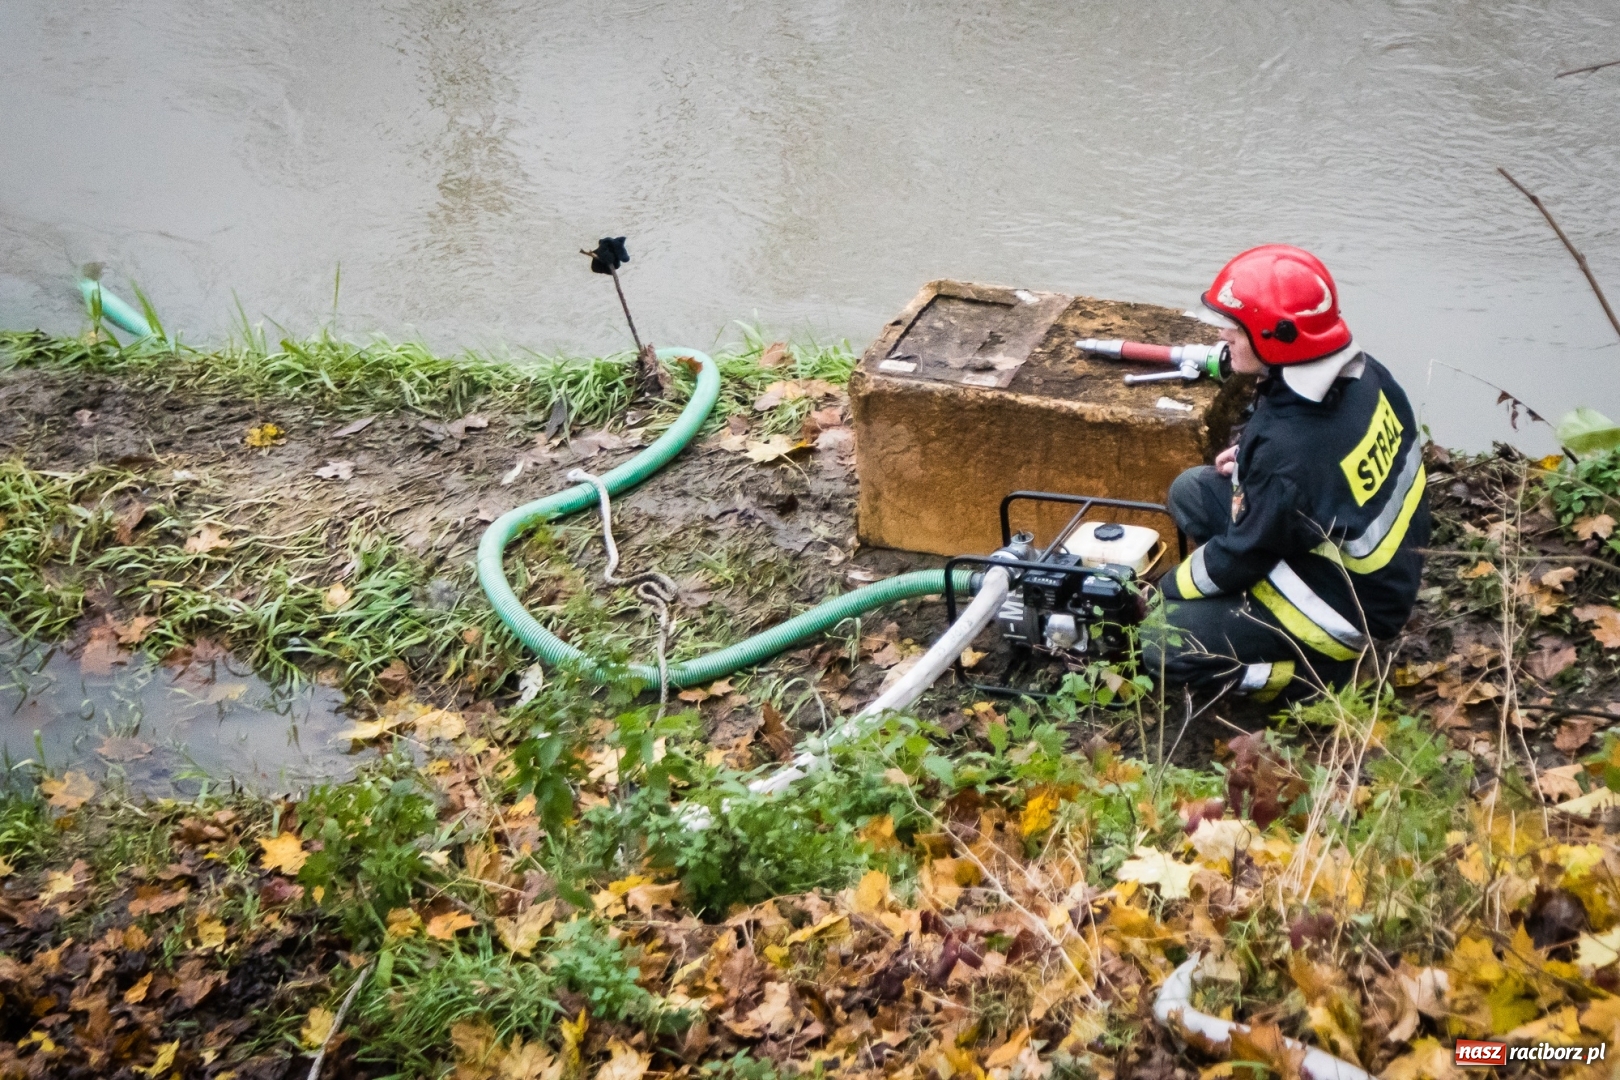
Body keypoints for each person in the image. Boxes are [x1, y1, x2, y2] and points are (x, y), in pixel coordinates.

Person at [1144, 244, 1430, 703]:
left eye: (1234, 326)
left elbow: (1241, 556)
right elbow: (1314, 461)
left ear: (1273, 337)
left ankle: (1322, 678)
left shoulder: (1290, 453)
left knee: (1162, 643)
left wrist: (1165, 591)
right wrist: (1252, 460)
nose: (1222, 333)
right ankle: (1249, 618)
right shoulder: (1362, 373)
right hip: (1383, 568)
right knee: (1191, 491)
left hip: (1351, 607)